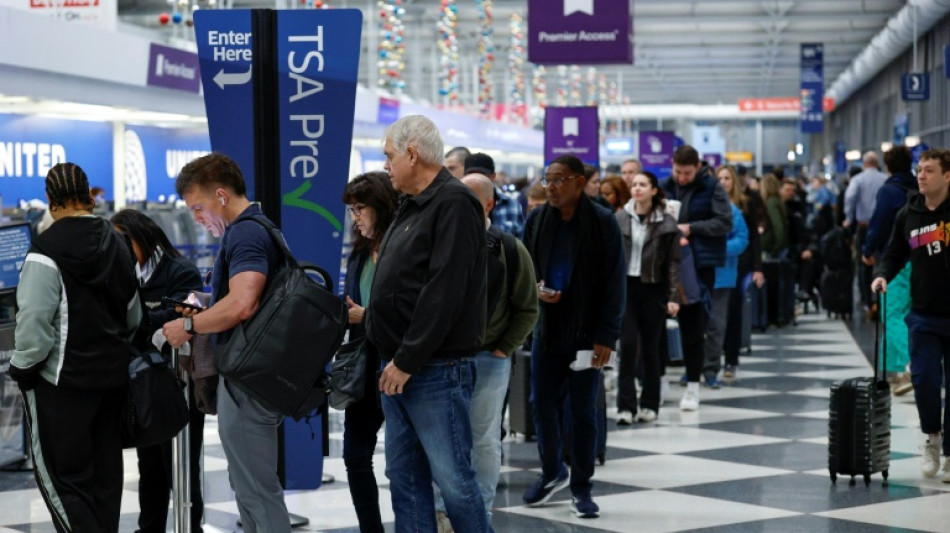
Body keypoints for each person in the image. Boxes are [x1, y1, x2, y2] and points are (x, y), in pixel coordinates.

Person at [364, 115, 490, 533]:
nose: (386, 165)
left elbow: (444, 292)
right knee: (405, 479)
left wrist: (407, 359)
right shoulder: (411, 203)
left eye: (389, 156)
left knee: (453, 482)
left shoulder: (454, 203)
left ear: (412, 154)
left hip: (433, 368)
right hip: (398, 366)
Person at [163, 153, 291, 533]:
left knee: (257, 492)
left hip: (249, 380)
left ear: (221, 195)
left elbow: (243, 304)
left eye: (198, 208)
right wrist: (206, 305)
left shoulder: (246, 233)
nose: (197, 219)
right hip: (252, 375)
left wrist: (189, 325)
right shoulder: (254, 229)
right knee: (248, 489)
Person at [11, 162, 141, 533]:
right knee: (104, 481)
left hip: (60, 386)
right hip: (112, 383)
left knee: (64, 483)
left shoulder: (44, 250)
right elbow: (133, 313)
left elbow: (34, 322)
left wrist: (23, 368)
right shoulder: (118, 244)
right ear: (88, 196)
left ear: (51, 199)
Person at [521, 155, 625, 518]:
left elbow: (615, 282)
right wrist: (535, 290)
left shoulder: (602, 222)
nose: (550, 187)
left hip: (586, 333)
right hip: (547, 330)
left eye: (558, 180)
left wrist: (606, 336)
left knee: (582, 411)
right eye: (547, 180)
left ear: (579, 183)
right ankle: (552, 471)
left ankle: (582, 487)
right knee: (541, 404)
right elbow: (525, 270)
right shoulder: (537, 220)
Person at [434, 173, 538, 527]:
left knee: (483, 438)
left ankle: (480, 512)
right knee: (445, 437)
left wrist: (504, 348)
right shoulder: (442, 241)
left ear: (489, 204)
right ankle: (444, 512)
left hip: (489, 356)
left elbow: (528, 307)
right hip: (445, 356)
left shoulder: (510, 248)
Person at [111, 209, 206, 533]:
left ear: (139, 236)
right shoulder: (123, 273)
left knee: (181, 464)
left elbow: (183, 318)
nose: (118, 248)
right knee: (149, 464)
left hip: (177, 383)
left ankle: (189, 527)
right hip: (141, 383)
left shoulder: (180, 270)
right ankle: (149, 528)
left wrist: (142, 320)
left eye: (123, 240)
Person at [871, 148, 950, 481]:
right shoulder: (908, 214)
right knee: (925, 381)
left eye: (929, 170)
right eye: (919, 169)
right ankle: (932, 439)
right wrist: (882, 275)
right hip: (924, 315)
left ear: (947, 176)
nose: (921, 175)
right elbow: (894, 253)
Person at [340, 171, 399, 533]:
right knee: (355, 455)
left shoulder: (404, 249)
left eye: (360, 208)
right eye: (351, 210)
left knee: (405, 463)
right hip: (364, 364)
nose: (355, 217)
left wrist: (368, 316)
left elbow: (416, 310)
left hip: (402, 364)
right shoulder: (360, 255)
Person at [661, 145, 732, 410]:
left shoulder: (712, 187)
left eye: (687, 173)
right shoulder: (664, 185)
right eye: (678, 172)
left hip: (700, 264)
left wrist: (691, 228)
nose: (681, 178)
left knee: (695, 324)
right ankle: (659, 379)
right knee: (657, 324)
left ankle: (694, 382)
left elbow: (724, 222)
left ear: (698, 167)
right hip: (665, 263)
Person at [615, 171, 680, 424]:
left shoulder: (666, 222)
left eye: (643, 184)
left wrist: (673, 296)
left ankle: (650, 403)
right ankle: (625, 406)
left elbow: (673, 262)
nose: (637, 188)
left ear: (654, 190)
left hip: (654, 287)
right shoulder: (620, 217)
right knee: (628, 344)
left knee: (651, 347)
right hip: (627, 286)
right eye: (634, 185)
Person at [863, 146, 917, 393]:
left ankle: (910, 365)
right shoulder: (917, 188)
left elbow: (879, 223)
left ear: (887, 166)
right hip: (917, 257)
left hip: (895, 260)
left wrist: (868, 249)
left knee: (891, 313)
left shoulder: (889, 191)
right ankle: (895, 370)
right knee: (906, 312)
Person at [719, 164, 764, 378]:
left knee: (734, 311)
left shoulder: (745, 203)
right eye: (720, 178)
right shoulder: (711, 204)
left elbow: (753, 236)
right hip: (718, 264)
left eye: (727, 178)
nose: (723, 182)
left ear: (734, 181)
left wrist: (757, 268)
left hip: (740, 263)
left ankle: (731, 359)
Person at [702, 186, 749, 387]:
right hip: (696, 273)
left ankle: (711, 368)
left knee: (716, 324)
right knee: (693, 325)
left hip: (722, 275)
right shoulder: (696, 209)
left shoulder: (731, 211)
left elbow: (742, 239)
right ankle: (692, 367)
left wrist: (719, 249)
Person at [845, 151, 888, 317]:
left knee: (864, 263)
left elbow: (850, 198)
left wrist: (849, 218)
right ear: (877, 163)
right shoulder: (885, 179)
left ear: (864, 164)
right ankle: (880, 301)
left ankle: (867, 301)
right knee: (884, 263)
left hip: (864, 226)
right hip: (884, 227)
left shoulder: (858, 179)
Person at [465, 152, 525, 237]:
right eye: (472, 175)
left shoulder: (511, 205)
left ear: (493, 177)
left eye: (483, 175)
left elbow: (518, 240)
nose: (478, 180)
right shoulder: (457, 203)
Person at [760, 173, 788, 258]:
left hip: (772, 246)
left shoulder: (771, 202)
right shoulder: (777, 200)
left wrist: (776, 248)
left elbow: (778, 226)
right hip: (777, 246)